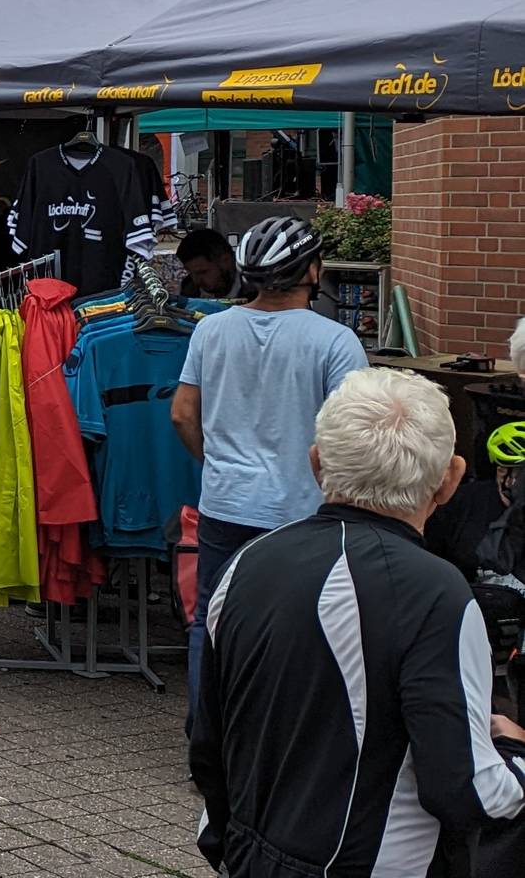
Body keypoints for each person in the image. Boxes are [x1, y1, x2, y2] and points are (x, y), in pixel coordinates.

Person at [193, 367, 525, 872]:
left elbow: (208, 737)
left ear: (316, 464)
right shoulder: (437, 592)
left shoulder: (246, 562)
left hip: (251, 852)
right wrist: (515, 755)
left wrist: (226, 841)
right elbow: (467, 789)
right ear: (450, 480)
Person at [170, 215, 368, 711]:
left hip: (224, 504)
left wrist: (214, 460)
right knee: (301, 627)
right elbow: (351, 432)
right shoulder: (334, 341)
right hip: (300, 511)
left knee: (212, 623)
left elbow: (181, 414)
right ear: (312, 272)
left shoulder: (210, 331)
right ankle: (279, 749)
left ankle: (207, 745)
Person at [176, 226, 238, 301]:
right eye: (191, 273)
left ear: (226, 260)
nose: (196, 280)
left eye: (203, 272)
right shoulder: (189, 291)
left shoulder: (252, 288)